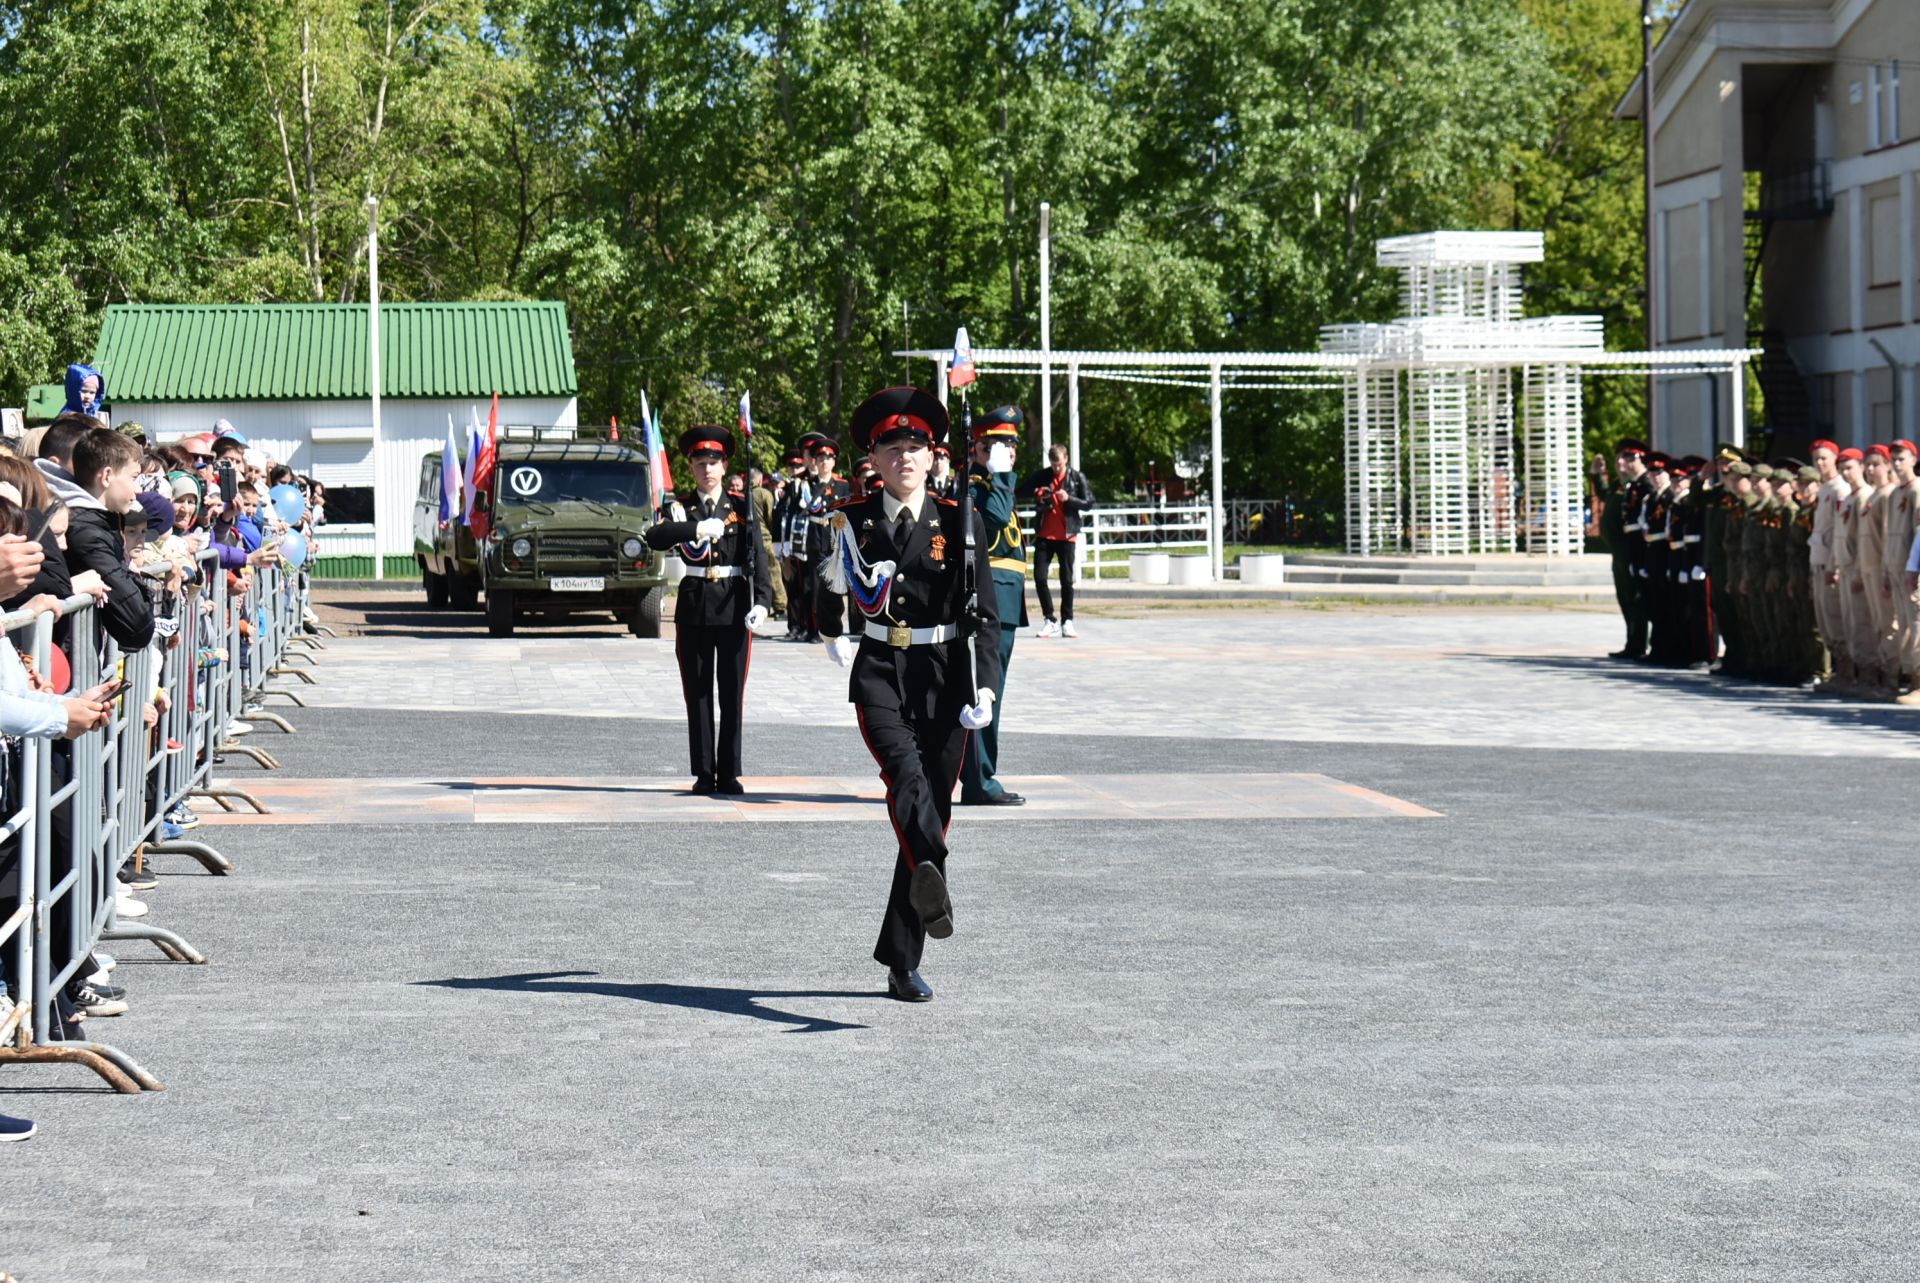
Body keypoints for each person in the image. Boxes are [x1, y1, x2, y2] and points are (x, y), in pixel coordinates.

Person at [825, 386, 1000, 1003]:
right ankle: (937, 884)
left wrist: (985, 682)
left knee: (937, 806)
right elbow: (828, 588)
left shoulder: (959, 520)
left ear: (934, 457)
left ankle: (902, 960)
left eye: (915, 446)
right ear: (872, 458)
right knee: (908, 785)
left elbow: (984, 614)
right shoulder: (852, 518)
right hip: (880, 667)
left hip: (946, 671)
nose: (904, 456)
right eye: (891, 447)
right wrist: (832, 630)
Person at [643, 426, 771, 795]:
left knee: (732, 694)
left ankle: (729, 773)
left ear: (725, 464)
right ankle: (704, 772)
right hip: (696, 605)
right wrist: (695, 527)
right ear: (691, 467)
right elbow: (655, 537)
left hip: (734, 605)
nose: (707, 470)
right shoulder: (680, 507)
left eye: (714, 462)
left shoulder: (743, 507)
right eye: (700, 463)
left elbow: (759, 556)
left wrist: (762, 602)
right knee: (698, 693)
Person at [959, 406, 1028, 807]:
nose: (1010, 452)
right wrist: (998, 472)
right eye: (1001, 445)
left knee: (989, 691)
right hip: (991, 603)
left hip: (1005, 600)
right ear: (981, 448)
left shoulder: (992, 482)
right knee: (987, 691)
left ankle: (977, 776)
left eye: (1012, 445)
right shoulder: (980, 485)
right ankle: (980, 780)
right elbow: (998, 518)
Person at [1019, 442, 1094, 638]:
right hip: (1045, 534)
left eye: (1059, 464)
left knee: (1066, 581)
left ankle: (1067, 620)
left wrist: (1069, 498)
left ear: (1066, 459)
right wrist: (1039, 494)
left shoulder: (1077, 478)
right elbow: (1023, 490)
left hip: (1067, 535)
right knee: (1039, 577)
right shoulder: (1044, 475)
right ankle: (1049, 620)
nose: (1056, 468)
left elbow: (1088, 503)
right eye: (1053, 465)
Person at [802, 433, 853, 643]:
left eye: (828, 458)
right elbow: (804, 508)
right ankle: (814, 629)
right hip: (815, 537)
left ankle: (832, 626)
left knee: (834, 585)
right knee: (814, 586)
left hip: (834, 538)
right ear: (815, 461)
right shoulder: (808, 484)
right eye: (820, 459)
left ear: (833, 461)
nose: (824, 462)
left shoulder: (841, 485)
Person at [1604, 440, 1650, 659]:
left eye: (1629, 457)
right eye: (1620, 458)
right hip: (1621, 550)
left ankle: (1638, 643)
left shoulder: (1645, 485)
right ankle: (1633, 642)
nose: (1622, 462)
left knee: (1636, 598)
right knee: (1626, 597)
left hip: (1634, 549)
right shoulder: (1627, 485)